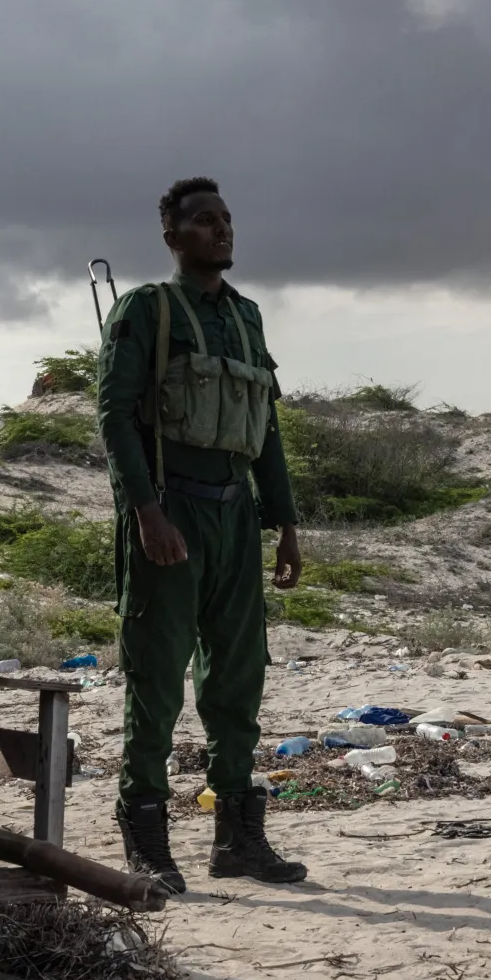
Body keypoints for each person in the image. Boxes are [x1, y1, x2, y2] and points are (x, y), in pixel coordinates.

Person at [96, 177, 308, 892]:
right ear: (173, 238)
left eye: (226, 220)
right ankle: (146, 836)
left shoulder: (247, 319)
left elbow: (266, 427)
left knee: (238, 678)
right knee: (157, 678)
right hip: (173, 512)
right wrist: (146, 512)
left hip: (236, 517)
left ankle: (239, 840)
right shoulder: (147, 311)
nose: (223, 231)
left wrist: (285, 523)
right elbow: (116, 416)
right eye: (205, 221)